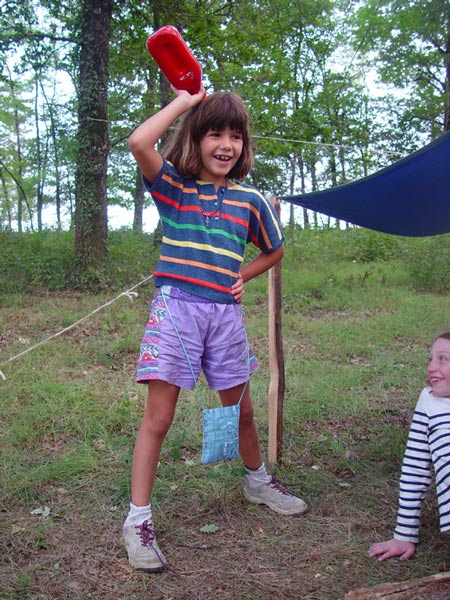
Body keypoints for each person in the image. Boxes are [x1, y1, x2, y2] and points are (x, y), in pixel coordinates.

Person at [122, 84, 308, 572]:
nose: (226, 145)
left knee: (241, 411)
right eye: (215, 134)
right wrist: (185, 101)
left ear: (245, 145)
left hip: (224, 317)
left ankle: (257, 482)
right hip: (176, 312)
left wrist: (242, 275)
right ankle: (138, 521)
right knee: (158, 418)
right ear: (196, 138)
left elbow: (275, 248)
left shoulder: (250, 200)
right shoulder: (174, 187)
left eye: (236, 136)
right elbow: (139, 142)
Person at [369, 330, 450, 562]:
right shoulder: (430, 402)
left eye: (443, 359)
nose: (431, 367)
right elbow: (415, 468)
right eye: (430, 359)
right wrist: (404, 534)